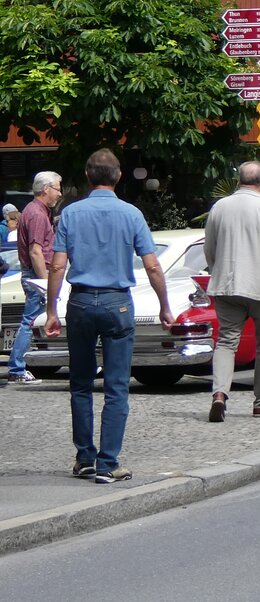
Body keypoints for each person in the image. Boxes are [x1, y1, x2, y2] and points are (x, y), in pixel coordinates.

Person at [44, 150, 171, 483]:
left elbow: (57, 264)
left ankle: (85, 458)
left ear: (88, 176)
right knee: (116, 387)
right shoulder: (131, 214)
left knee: (81, 384)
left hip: (82, 303)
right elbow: (153, 265)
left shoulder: (71, 213)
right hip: (118, 305)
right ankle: (108, 463)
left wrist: (51, 310)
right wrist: (164, 305)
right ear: (118, 176)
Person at [204, 161, 260, 422]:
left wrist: (215, 270)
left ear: (238, 180)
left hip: (226, 286)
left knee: (226, 343)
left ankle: (219, 394)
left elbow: (209, 246)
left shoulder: (219, 207)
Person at [9, 173, 62, 384]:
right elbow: (36, 252)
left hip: (33, 273)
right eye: (58, 188)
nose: (59, 193)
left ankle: (20, 366)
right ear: (46, 189)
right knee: (30, 322)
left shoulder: (34, 211)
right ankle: (17, 368)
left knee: (33, 321)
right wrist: (46, 283)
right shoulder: (38, 214)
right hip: (37, 275)